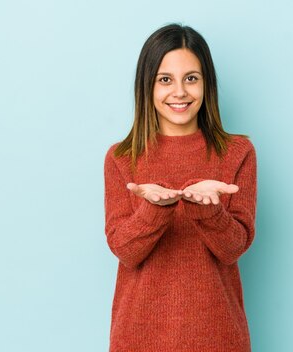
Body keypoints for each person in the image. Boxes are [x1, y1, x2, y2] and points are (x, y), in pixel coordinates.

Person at [103, 23, 258, 351]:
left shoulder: (237, 153)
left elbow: (233, 248)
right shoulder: (121, 157)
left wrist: (208, 209)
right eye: (165, 80)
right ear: (147, 86)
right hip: (139, 339)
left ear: (207, 84)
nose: (180, 92)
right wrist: (153, 211)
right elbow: (124, 250)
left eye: (191, 78)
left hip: (219, 338)